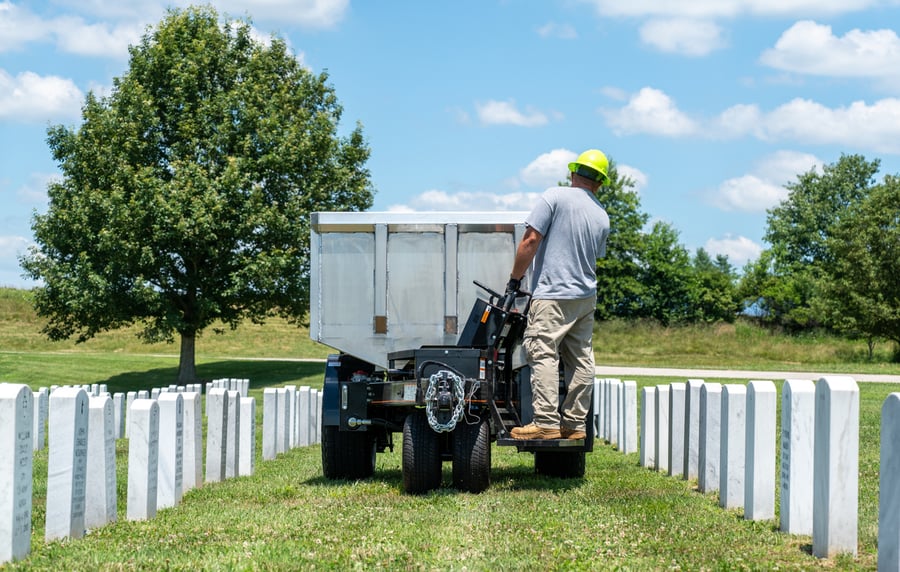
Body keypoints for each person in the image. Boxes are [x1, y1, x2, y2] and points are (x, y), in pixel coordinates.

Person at [508, 149, 611, 440]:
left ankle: (545, 422)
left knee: (542, 351)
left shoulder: (554, 196)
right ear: (600, 183)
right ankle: (575, 425)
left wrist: (514, 280)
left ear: (573, 173)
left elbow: (530, 241)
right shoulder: (602, 217)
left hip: (553, 293)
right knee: (581, 359)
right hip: (585, 298)